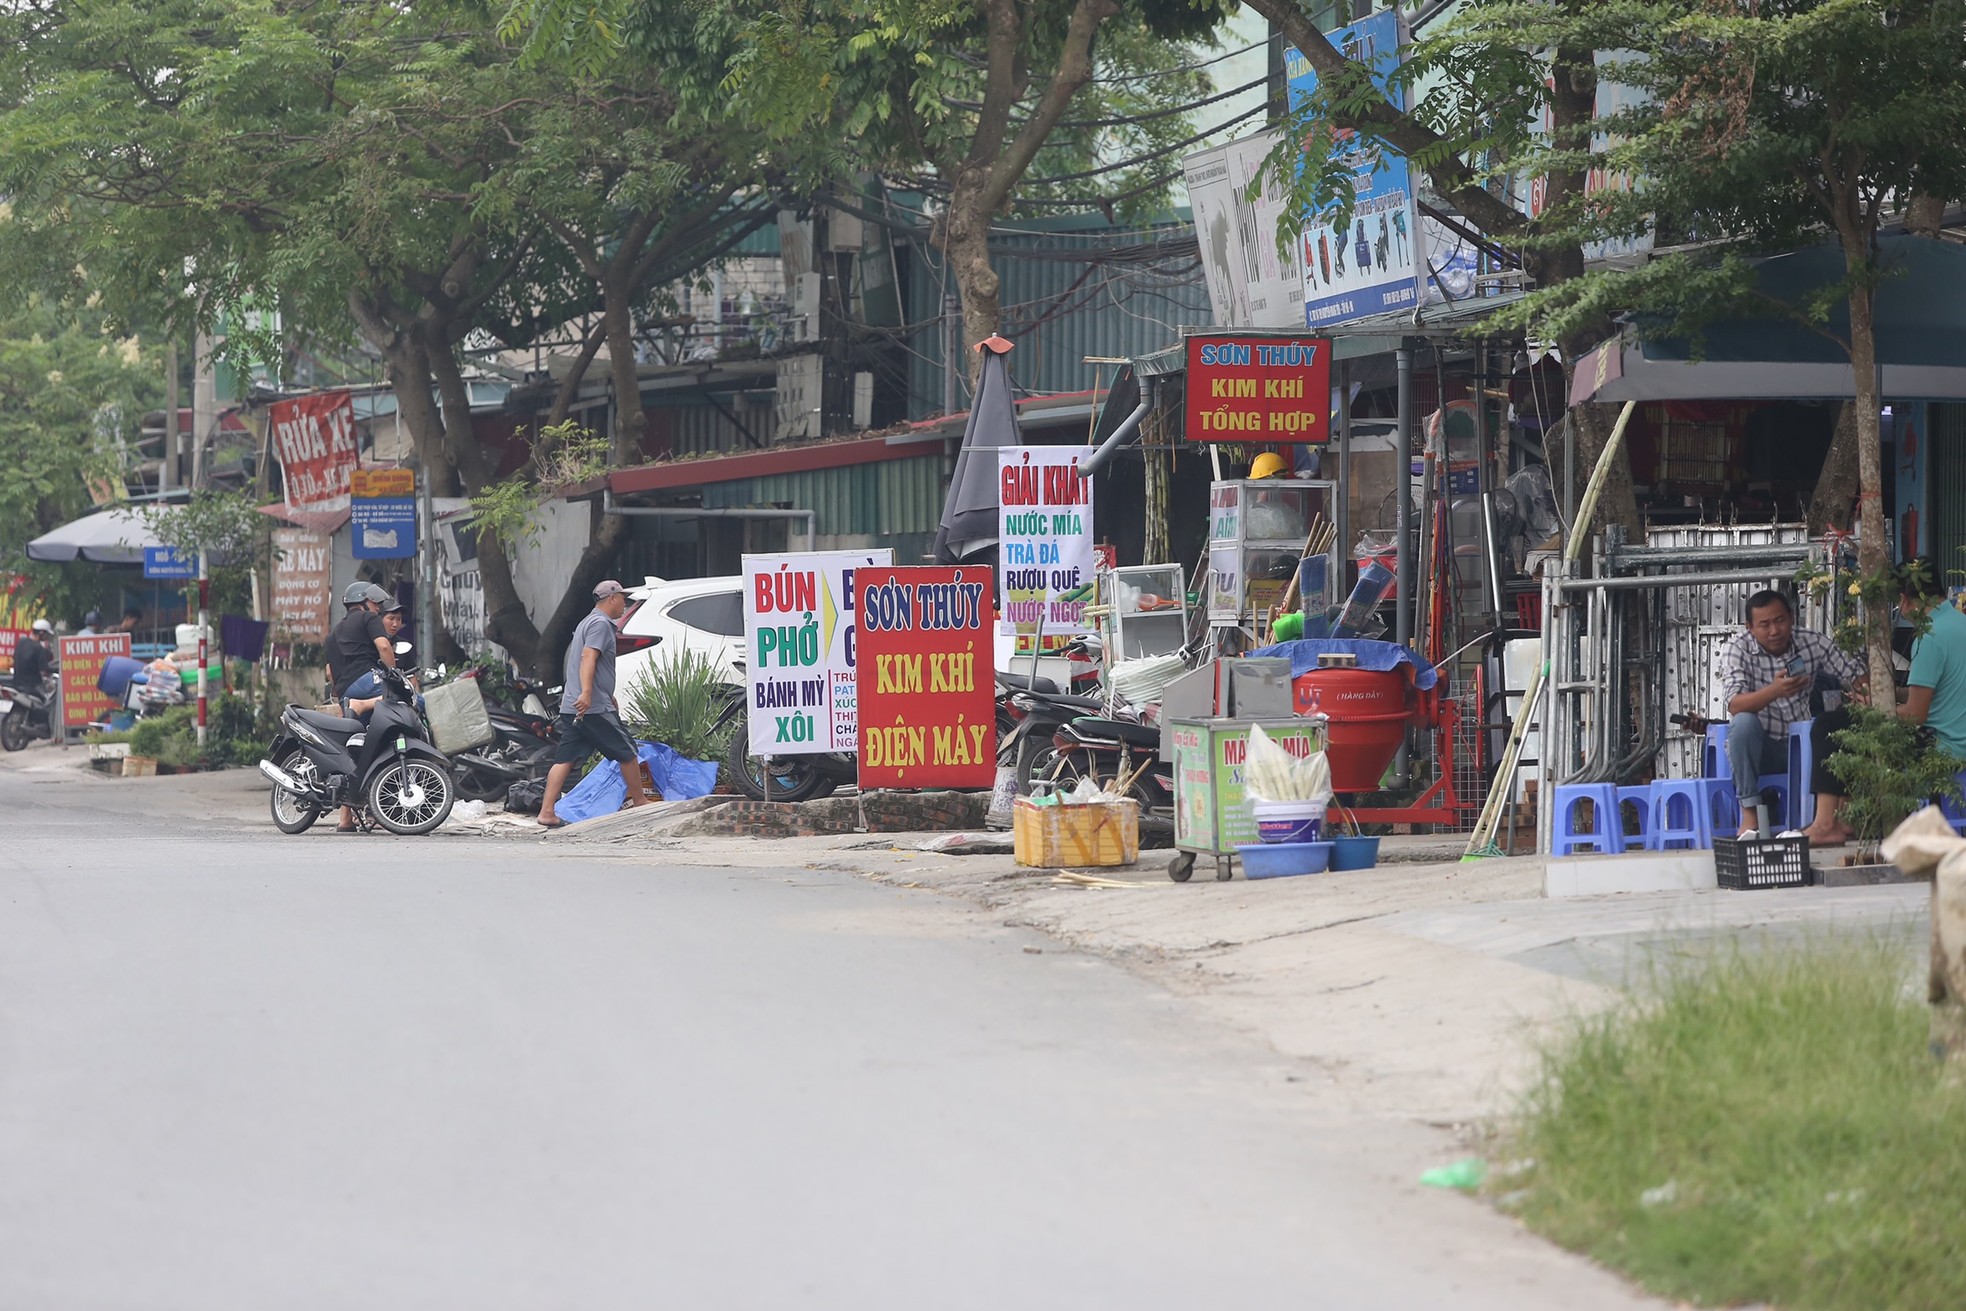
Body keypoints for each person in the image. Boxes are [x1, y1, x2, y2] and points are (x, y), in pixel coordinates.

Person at [1718, 589, 1865, 842]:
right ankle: (1750, 811)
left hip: (1803, 747)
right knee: (1743, 723)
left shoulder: (1812, 642)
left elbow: (1854, 673)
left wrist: (1865, 693)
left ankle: (1831, 820)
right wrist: (1774, 691)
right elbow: (1735, 704)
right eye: (1764, 624)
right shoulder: (1736, 649)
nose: (1774, 630)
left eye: (1780, 620)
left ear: (1792, 617)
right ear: (1750, 627)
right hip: (1761, 748)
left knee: (1831, 726)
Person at [537, 580, 653, 828]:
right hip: (592, 707)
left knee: (564, 759)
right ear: (611, 598)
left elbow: (591, 662)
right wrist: (589, 693)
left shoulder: (586, 622)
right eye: (623, 598)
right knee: (628, 751)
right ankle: (641, 801)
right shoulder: (601, 624)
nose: (625, 603)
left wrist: (602, 692)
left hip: (574, 705)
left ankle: (547, 812)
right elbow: (588, 657)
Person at [326, 583, 396, 834]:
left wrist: (344, 696)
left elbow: (329, 672)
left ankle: (345, 819)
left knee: (357, 750)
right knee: (411, 701)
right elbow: (384, 647)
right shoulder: (368, 618)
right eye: (375, 604)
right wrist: (393, 676)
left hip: (345, 691)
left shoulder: (334, 633)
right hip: (368, 682)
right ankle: (364, 703)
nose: (378, 608)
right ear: (363, 602)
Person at [1898, 560, 1966, 761]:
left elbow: (1915, 714)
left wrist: (1876, 709)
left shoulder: (1929, 637)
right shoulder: (1961, 622)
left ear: (1904, 599)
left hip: (1945, 751)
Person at [10, 619, 55, 694]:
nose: (47, 637)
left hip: (17, 685)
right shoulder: (39, 648)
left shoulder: (21, 641)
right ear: (42, 633)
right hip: (33, 687)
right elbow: (43, 672)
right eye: (47, 634)